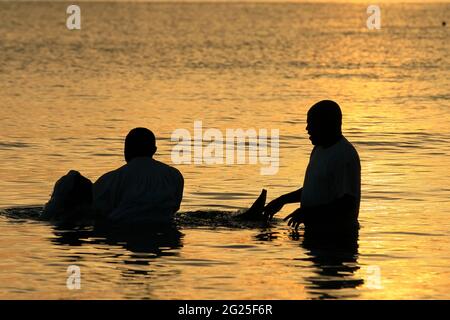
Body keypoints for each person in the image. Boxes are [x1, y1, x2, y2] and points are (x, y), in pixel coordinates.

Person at [263, 100, 361, 233]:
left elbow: (346, 205)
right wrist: (282, 200)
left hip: (337, 239)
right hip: (315, 235)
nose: (307, 128)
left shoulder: (344, 155)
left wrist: (308, 213)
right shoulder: (318, 150)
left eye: (311, 123)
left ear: (326, 124)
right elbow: (315, 189)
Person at [92, 128, 184, 225]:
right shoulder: (174, 176)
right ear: (154, 150)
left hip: (123, 232)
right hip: (165, 232)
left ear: (126, 149)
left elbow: (98, 212)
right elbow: (174, 208)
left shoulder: (110, 179)